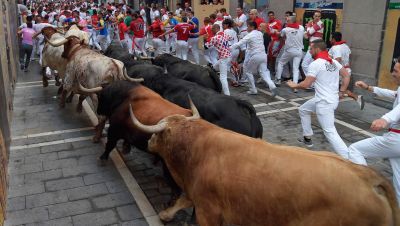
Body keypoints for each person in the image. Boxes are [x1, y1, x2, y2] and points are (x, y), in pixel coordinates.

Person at [347, 56, 400, 203]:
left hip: (395, 139)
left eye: (396, 71)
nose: (393, 73)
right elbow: (393, 94)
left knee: (354, 150)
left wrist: (385, 119)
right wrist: (369, 88)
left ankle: (366, 191)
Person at [287, 39, 350, 158]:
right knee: (303, 109)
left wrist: (294, 85)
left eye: (311, 49)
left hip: (324, 103)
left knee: (330, 132)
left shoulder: (316, 64)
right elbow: (346, 75)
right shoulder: (333, 62)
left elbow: (306, 84)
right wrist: (341, 91)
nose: (309, 51)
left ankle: (350, 159)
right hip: (329, 99)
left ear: (317, 49)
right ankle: (307, 138)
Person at [231, 21, 277, 96]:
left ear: (252, 27)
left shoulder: (250, 35)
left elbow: (239, 43)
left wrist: (228, 48)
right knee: (264, 72)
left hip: (256, 56)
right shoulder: (259, 34)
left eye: (248, 26)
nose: (247, 28)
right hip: (263, 55)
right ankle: (272, 85)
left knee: (248, 72)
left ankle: (253, 89)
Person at [329, 31, 365, 109]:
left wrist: (331, 70)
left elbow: (337, 59)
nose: (330, 40)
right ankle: (356, 97)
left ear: (334, 39)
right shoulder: (345, 46)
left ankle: (329, 108)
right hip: (347, 69)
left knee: (332, 89)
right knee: (340, 91)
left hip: (340, 72)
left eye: (330, 38)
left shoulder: (335, 48)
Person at [275, 16, 304, 92]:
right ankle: (295, 86)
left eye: (288, 21)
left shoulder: (285, 29)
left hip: (289, 51)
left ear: (291, 21)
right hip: (299, 51)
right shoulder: (301, 27)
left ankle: (278, 79)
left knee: (281, 63)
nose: (286, 22)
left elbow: (280, 35)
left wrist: (275, 32)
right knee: (296, 68)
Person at [205, 24, 231, 95]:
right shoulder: (224, 34)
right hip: (228, 56)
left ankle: (227, 94)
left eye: (212, 29)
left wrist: (205, 39)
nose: (211, 31)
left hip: (223, 58)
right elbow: (230, 38)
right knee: (214, 67)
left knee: (223, 77)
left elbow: (206, 47)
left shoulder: (216, 37)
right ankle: (214, 82)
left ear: (215, 29)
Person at [301, 11, 324, 76]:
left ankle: (311, 81)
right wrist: (307, 31)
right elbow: (307, 35)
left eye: (319, 16)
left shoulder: (320, 23)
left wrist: (308, 25)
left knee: (304, 65)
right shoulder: (314, 24)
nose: (317, 17)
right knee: (312, 66)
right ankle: (312, 81)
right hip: (314, 46)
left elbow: (309, 32)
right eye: (316, 16)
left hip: (315, 46)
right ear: (313, 16)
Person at [266, 11, 283, 78]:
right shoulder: (268, 24)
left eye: (272, 15)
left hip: (276, 41)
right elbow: (269, 33)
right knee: (269, 56)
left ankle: (273, 70)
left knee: (274, 56)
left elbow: (279, 31)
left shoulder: (278, 22)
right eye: (269, 15)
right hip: (271, 41)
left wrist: (274, 32)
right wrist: (274, 31)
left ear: (274, 16)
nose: (271, 17)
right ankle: (270, 70)